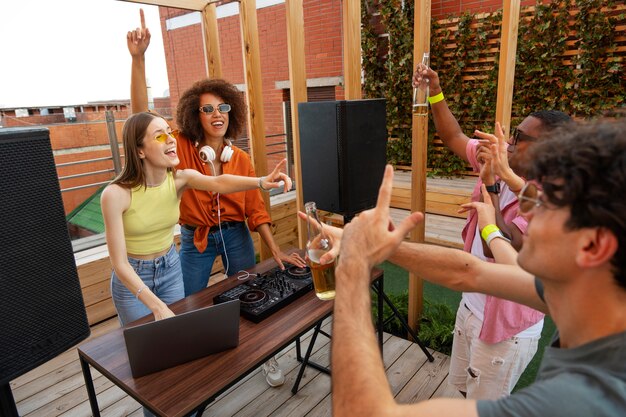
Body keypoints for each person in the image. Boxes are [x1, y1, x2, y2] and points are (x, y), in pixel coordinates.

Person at [323, 119, 626, 416]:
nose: (524, 210)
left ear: (592, 246)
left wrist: (351, 267)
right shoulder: (577, 289)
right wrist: (375, 248)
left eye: (543, 202)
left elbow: (364, 411)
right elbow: (468, 272)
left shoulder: (581, 402)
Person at [127, 10, 302, 387]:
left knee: (252, 296)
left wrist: (274, 252)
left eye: (223, 107)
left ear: (231, 112)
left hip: (237, 234)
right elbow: (142, 119)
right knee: (189, 304)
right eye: (207, 109)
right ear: (196, 115)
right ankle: (199, 362)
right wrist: (138, 60)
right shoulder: (181, 151)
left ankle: (263, 355)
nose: (216, 114)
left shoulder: (239, 159)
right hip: (196, 239)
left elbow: (257, 212)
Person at [412, 63, 572, 398]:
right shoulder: (501, 164)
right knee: (459, 391)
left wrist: (493, 186)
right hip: (472, 305)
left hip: (504, 329)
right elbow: (452, 136)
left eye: (519, 138)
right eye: (513, 132)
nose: (509, 141)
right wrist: (435, 91)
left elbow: (499, 248)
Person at [101, 111, 291, 327]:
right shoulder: (115, 194)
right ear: (140, 151)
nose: (171, 139)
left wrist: (261, 182)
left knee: (176, 334)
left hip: (170, 268)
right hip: (132, 276)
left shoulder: (181, 179)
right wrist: (158, 306)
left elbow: (220, 182)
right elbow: (119, 263)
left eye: (169, 132)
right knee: (144, 343)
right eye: (159, 136)